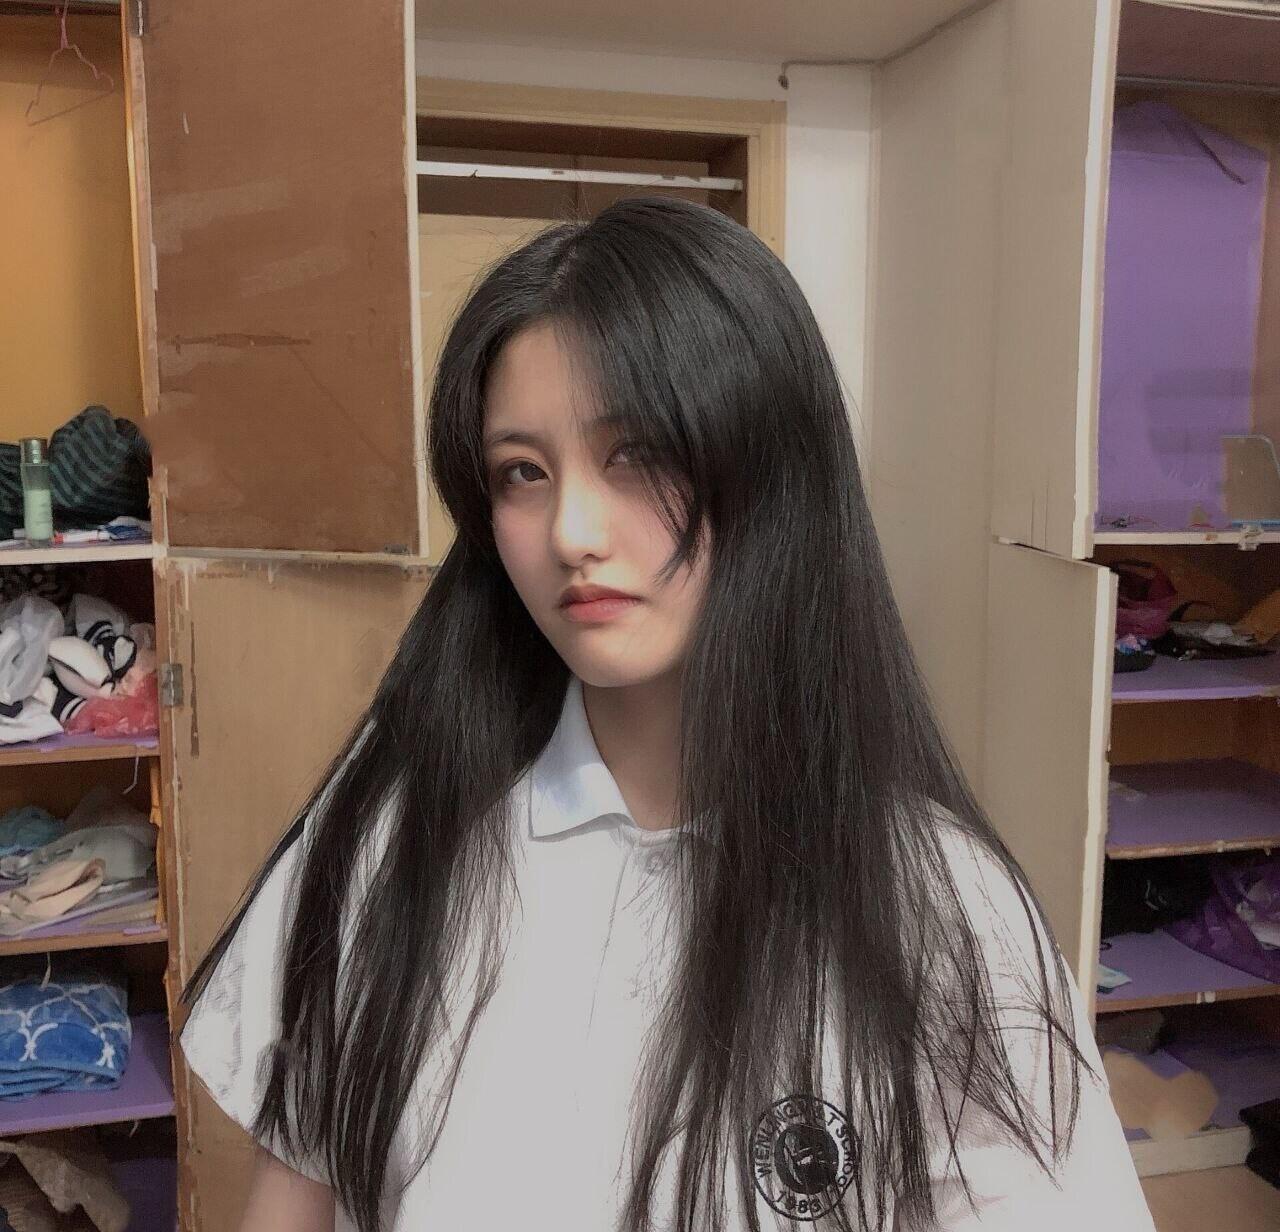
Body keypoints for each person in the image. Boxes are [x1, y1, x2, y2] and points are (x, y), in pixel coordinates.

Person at [176, 196, 1155, 1232]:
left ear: (770, 471)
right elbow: (295, 1188)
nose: (571, 530)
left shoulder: (941, 911)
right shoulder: (389, 835)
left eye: (637, 454)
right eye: (522, 472)